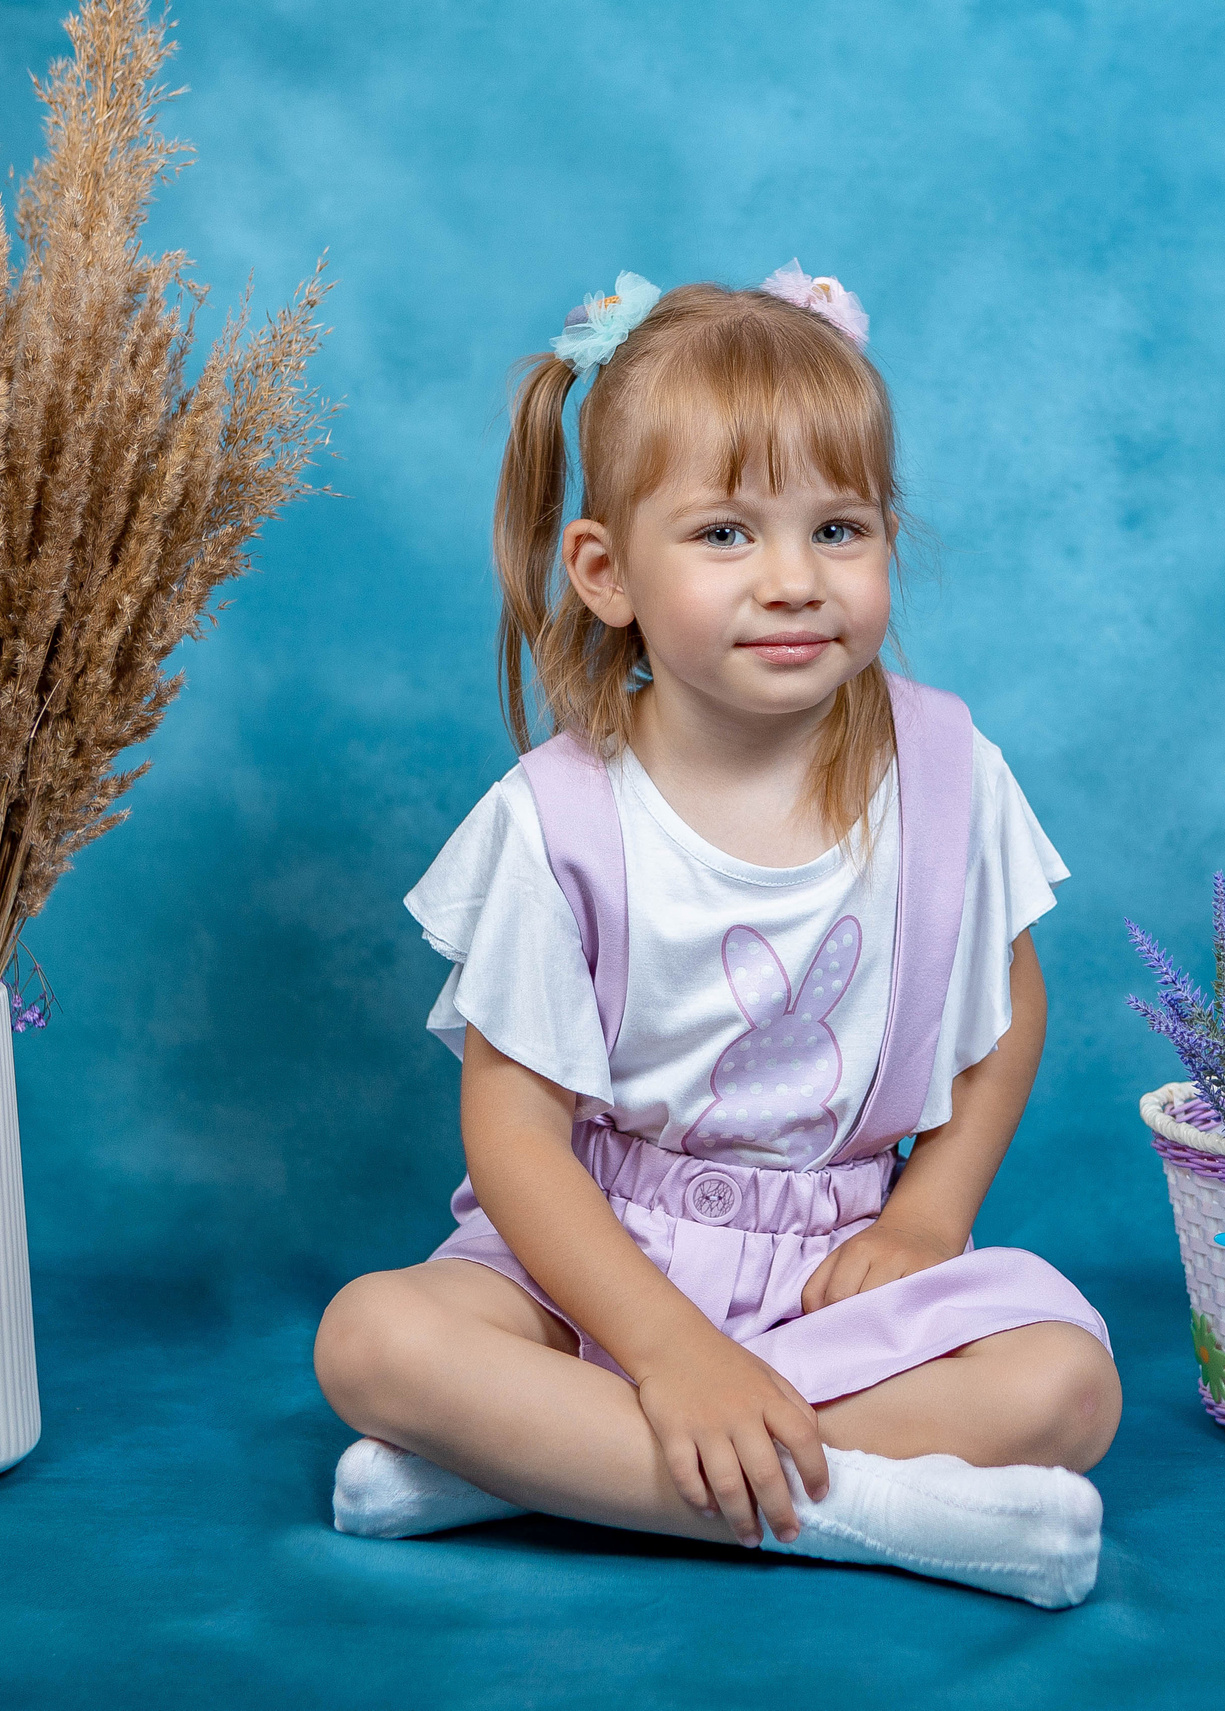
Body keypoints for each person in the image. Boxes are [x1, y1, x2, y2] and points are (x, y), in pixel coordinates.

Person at [312, 263, 1120, 1608]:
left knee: (1065, 1384)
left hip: (834, 1276)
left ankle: (529, 1467)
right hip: (589, 1274)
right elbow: (515, 1136)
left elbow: (1009, 1008)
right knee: (375, 1341)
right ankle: (882, 1511)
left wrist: (929, 1216)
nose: (795, 581)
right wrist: (666, 1350)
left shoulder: (950, 771)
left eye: (840, 529)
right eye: (728, 535)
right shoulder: (554, 821)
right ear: (607, 570)